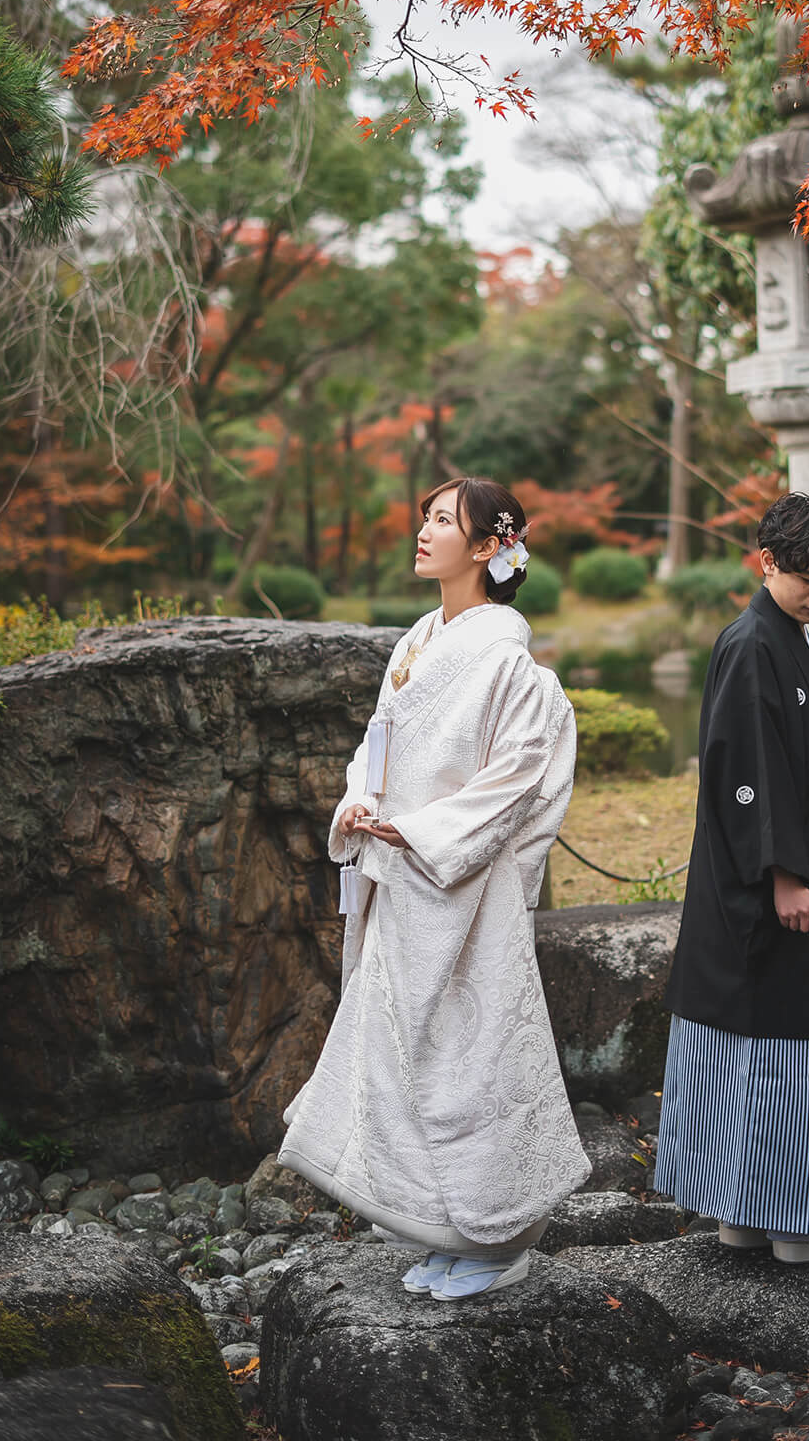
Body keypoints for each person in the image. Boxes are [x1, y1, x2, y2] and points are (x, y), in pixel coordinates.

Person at [278, 477, 590, 1300]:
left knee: (472, 1055)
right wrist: (362, 803)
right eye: (426, 517)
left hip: (463, 883)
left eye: (443, 521)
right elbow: (376, 748)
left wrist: (422, 831)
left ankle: (502, 1236)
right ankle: (440, 1227)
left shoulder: (509, 665)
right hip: (401, 879)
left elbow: (517, 781)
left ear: (489, 547)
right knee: (403, 1051)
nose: (424, 531)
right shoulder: (418, 641)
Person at [653, 491, 809, 1264]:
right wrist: (785, 873)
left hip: (761, 875)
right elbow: (744, 773)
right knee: (783, 1036)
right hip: (763, 881)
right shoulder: (754, 642)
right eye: (807, 578)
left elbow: (783, 760)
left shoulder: (784, 635)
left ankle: (744, 1213)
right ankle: (799, 1224)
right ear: (768, 563)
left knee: (754, 1036)